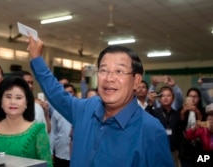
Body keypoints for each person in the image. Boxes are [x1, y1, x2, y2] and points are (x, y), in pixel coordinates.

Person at [27, 37, 174, 167]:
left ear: (136, 81)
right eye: (103, 70)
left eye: (119, 71)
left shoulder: (151, 130)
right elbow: (56, 94)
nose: (109, 78)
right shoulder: (86, 109)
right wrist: (36, 58)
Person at [0, 76, 53, 166]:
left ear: (26, 103)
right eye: (8, 97)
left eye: (18, 97)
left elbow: (47, 164)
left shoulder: (37, 130)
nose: (13, 102)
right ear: (1, 101)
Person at [146, 86, 182, 167]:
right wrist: (150, 104)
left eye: (168, 95)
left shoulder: (176, 114)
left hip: (173, 151)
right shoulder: (154, 112)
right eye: (163, 95)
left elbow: (180, 131)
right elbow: (145, 118)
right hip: (158, 150)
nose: (165, 98)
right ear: (159, 99)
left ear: (173, 99)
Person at [179, 87, 206, 167]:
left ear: (199, 98)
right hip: (185, 146)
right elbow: (180, 125)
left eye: (195, 96)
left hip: (200, 145)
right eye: (190, 96)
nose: (192, 99)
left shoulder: (203, 110)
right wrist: (183, 111)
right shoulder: (181, 110)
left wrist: (197, 111)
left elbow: (203, 123)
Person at [50, 83, 76, 167]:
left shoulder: (81, 111)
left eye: (70, 92)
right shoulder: (56, 112)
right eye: (66, 93)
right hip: (60, 154)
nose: (68, 94)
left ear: (74, 93)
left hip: (76, 156)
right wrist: (51, 152)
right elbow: (53, 132)